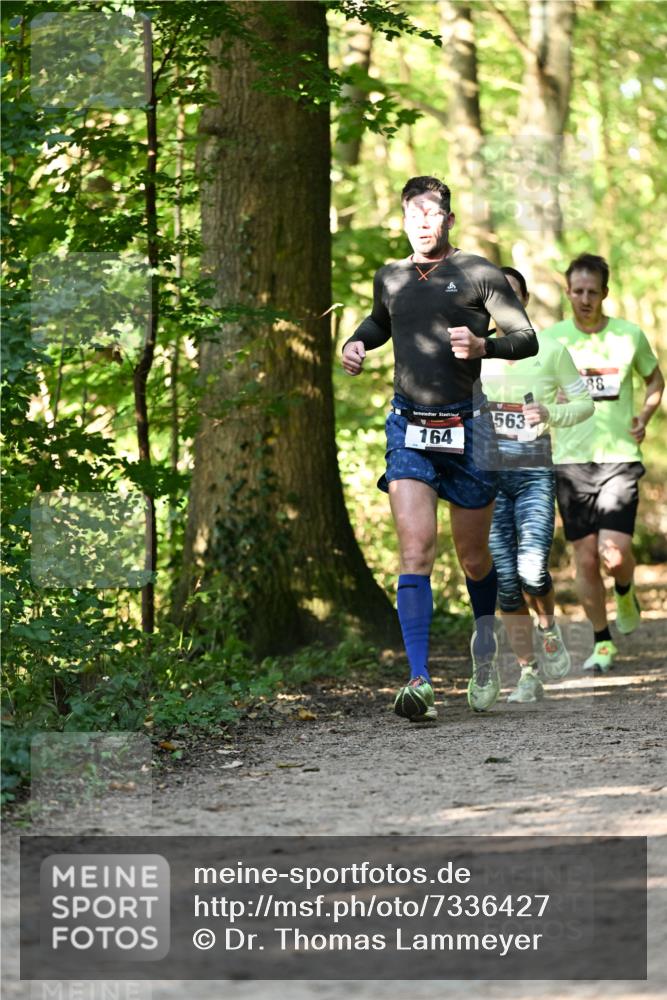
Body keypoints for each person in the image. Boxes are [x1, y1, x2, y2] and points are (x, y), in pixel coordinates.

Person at [341, 176, 538, 720]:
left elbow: (527, 337)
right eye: (413, 214)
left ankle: (483, 651)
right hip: (409, 427)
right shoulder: (392, 276)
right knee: (416, 551)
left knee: (474, 558)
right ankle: (420, 680)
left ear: (448, 218)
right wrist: (356, 342)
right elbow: (381, 321)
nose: (422, 222)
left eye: (432, 214)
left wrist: (484, 344)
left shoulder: (478, 273)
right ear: (403, 219)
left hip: (469, 428)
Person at [542, 253, 664, 672]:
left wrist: (644, 417)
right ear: (568, 292)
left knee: (613, 554)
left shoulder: (629, 336)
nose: (586, 299)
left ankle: (625, 589)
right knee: (587, 558)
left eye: (593, 291)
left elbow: (654, 380)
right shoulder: (553, 339)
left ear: (605, 293)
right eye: (578, 291)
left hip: (618, 457)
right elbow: (534, 391)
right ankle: (602, 641)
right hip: (570, 462)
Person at [483, 267, 593, 703]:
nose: (505, 303)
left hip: (533, 471)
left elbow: (584, 403)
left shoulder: (550, 348)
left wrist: (550, 412)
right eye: (497, 296)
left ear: (525, 300)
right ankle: (528, 672)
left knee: (531, 569)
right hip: (487, 475)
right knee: (506, 582)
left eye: (513, 295)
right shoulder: (476, 351)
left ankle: (548, 628)